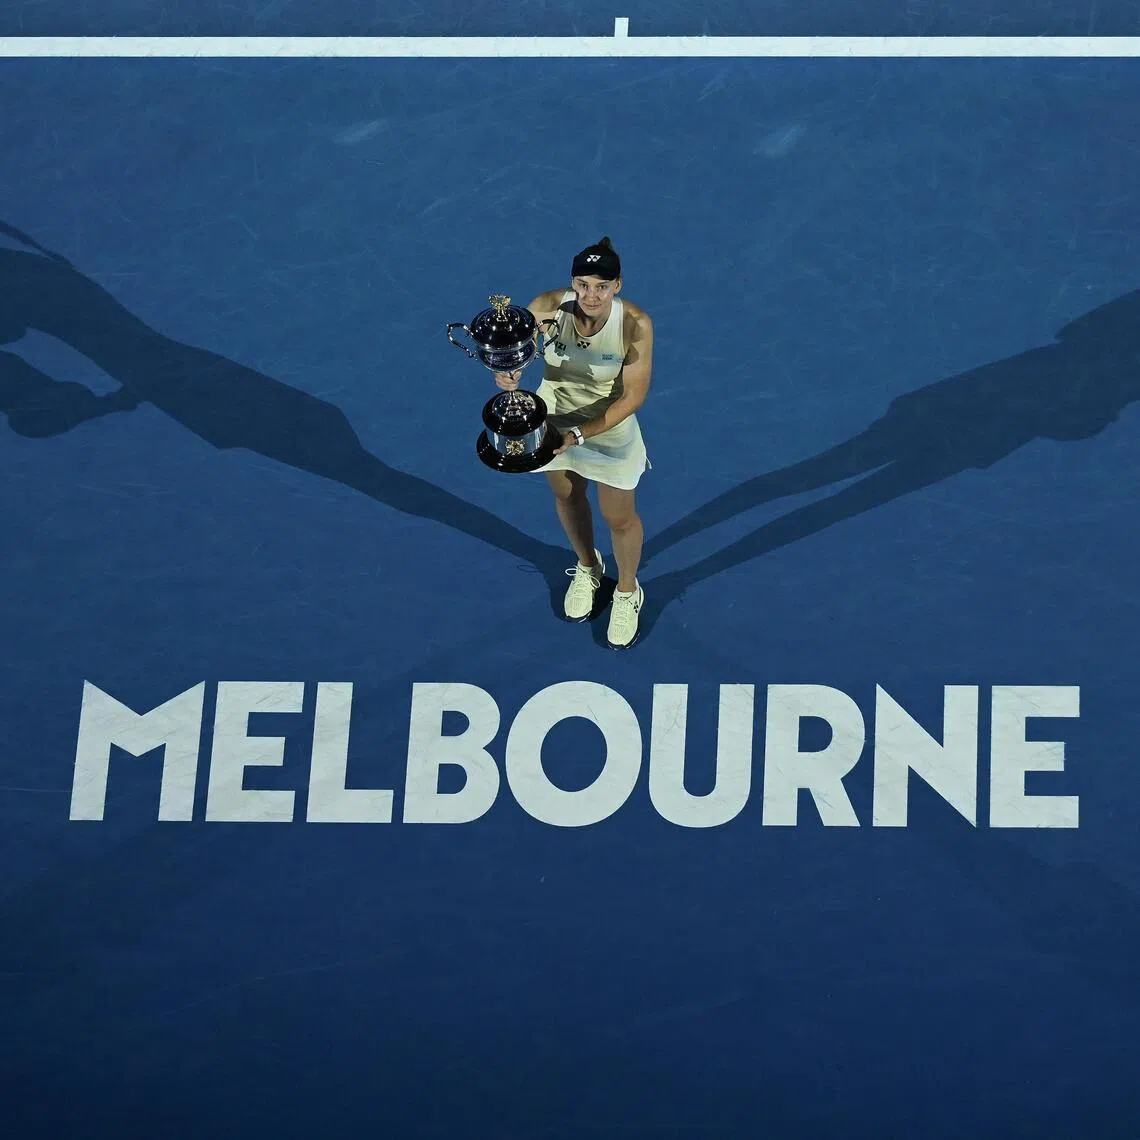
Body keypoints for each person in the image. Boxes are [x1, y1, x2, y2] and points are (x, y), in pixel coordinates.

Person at [494, 237, 653, 649]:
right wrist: (509, 374)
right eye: (583, 284)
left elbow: (633, 396)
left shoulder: (635, 323)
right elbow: (519, 352)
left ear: (617, 286)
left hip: (608, 428)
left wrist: (579, 435)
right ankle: (588, 566)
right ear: (573, 283)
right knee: (566, 494)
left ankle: (626, 591)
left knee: (618, 516)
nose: (591, 294)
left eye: (602, 286)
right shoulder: (547, 306)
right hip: (553, 419)